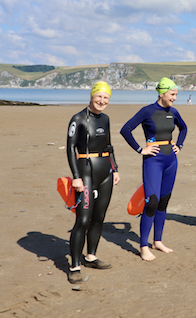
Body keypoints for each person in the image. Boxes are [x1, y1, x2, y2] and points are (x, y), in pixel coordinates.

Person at [120, 77, 187, 261]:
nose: (174, 98)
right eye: (172, 94)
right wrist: (141, 149)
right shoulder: (147, 111)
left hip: (171, 161)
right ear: (162, 93)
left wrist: (179, 146)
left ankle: (157, 241)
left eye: (176, 95)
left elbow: (184, 128)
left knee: (164, 201)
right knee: (152, 202)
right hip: (153, 162)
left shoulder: (173, 112)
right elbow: (126, 129)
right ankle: (143, 246)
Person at [66, 81, 120, 284]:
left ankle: (91, 256)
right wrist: (76, 176)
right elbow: (71, 148)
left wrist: (115, 169)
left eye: (106, 98)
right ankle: (75, 266)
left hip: (105, 171)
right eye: (99, 96)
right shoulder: (78, 119)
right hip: (86, 172)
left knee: (99, 217)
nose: (102, 101)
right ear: (91, 96)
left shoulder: (105, 119)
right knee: (82, 219)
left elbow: (109, 145)